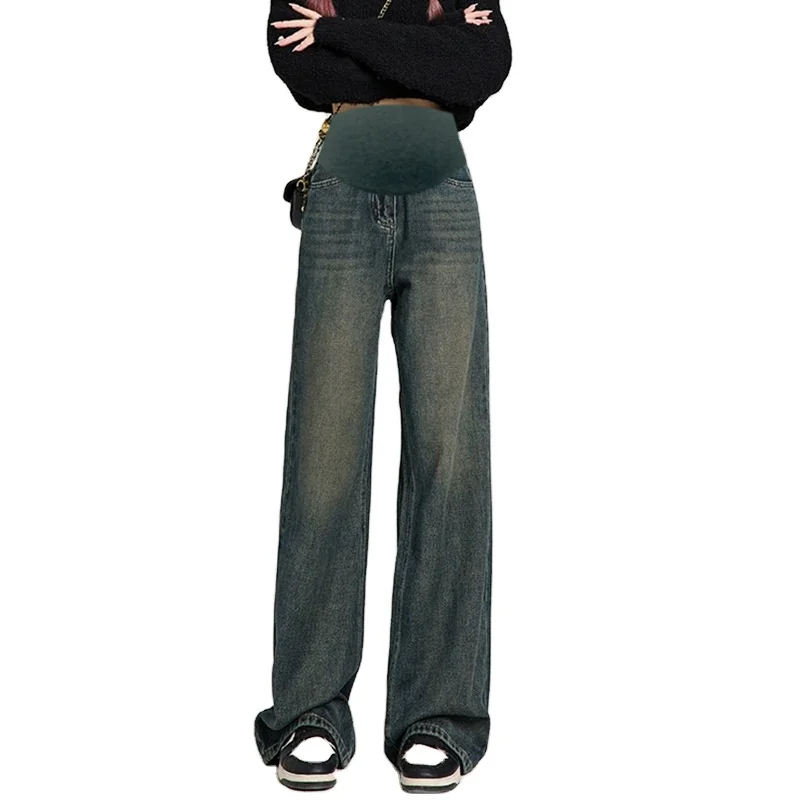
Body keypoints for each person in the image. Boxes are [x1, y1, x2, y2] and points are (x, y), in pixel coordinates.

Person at [254, 0, 512, 792]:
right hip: (341, 194)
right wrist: (427, 47)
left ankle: (440, 715)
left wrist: (341, 32)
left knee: (451, 462)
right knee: (324, 459)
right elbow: (299, 68)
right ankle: (309, 710)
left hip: (445, 199)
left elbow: (483, 68)